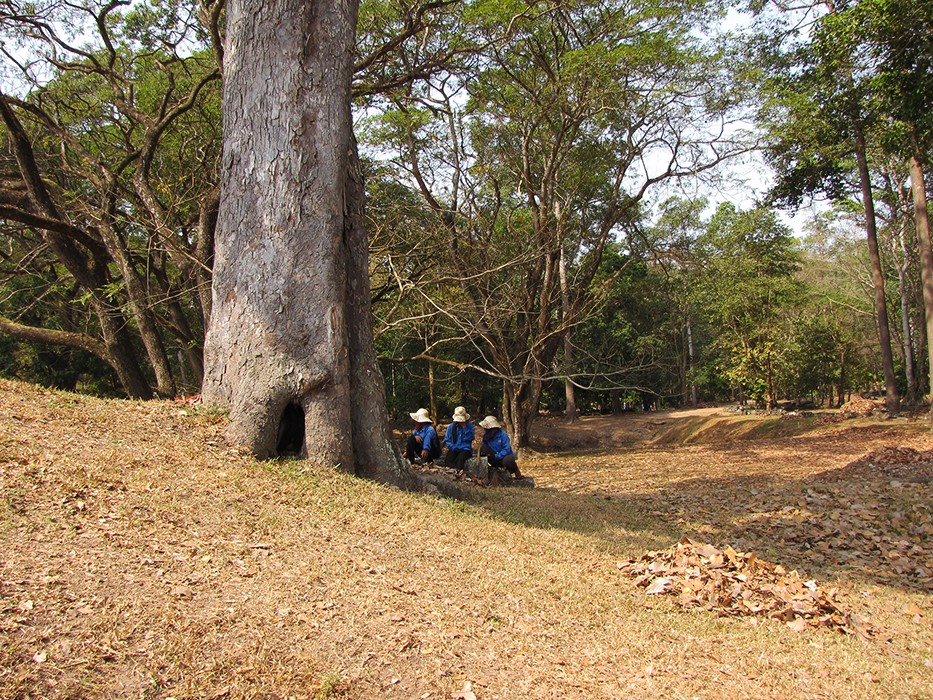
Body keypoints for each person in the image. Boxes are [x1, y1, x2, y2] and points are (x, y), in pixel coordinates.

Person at [443, 406, 475, 471]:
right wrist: (452, 447)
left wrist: (464, 428)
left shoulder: (470, 426)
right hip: (454, 448)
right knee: (448, 459)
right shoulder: (451, 427)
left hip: (465, 449)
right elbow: (447, 439)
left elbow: (471, 437)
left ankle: (459, 472)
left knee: (460, 460)